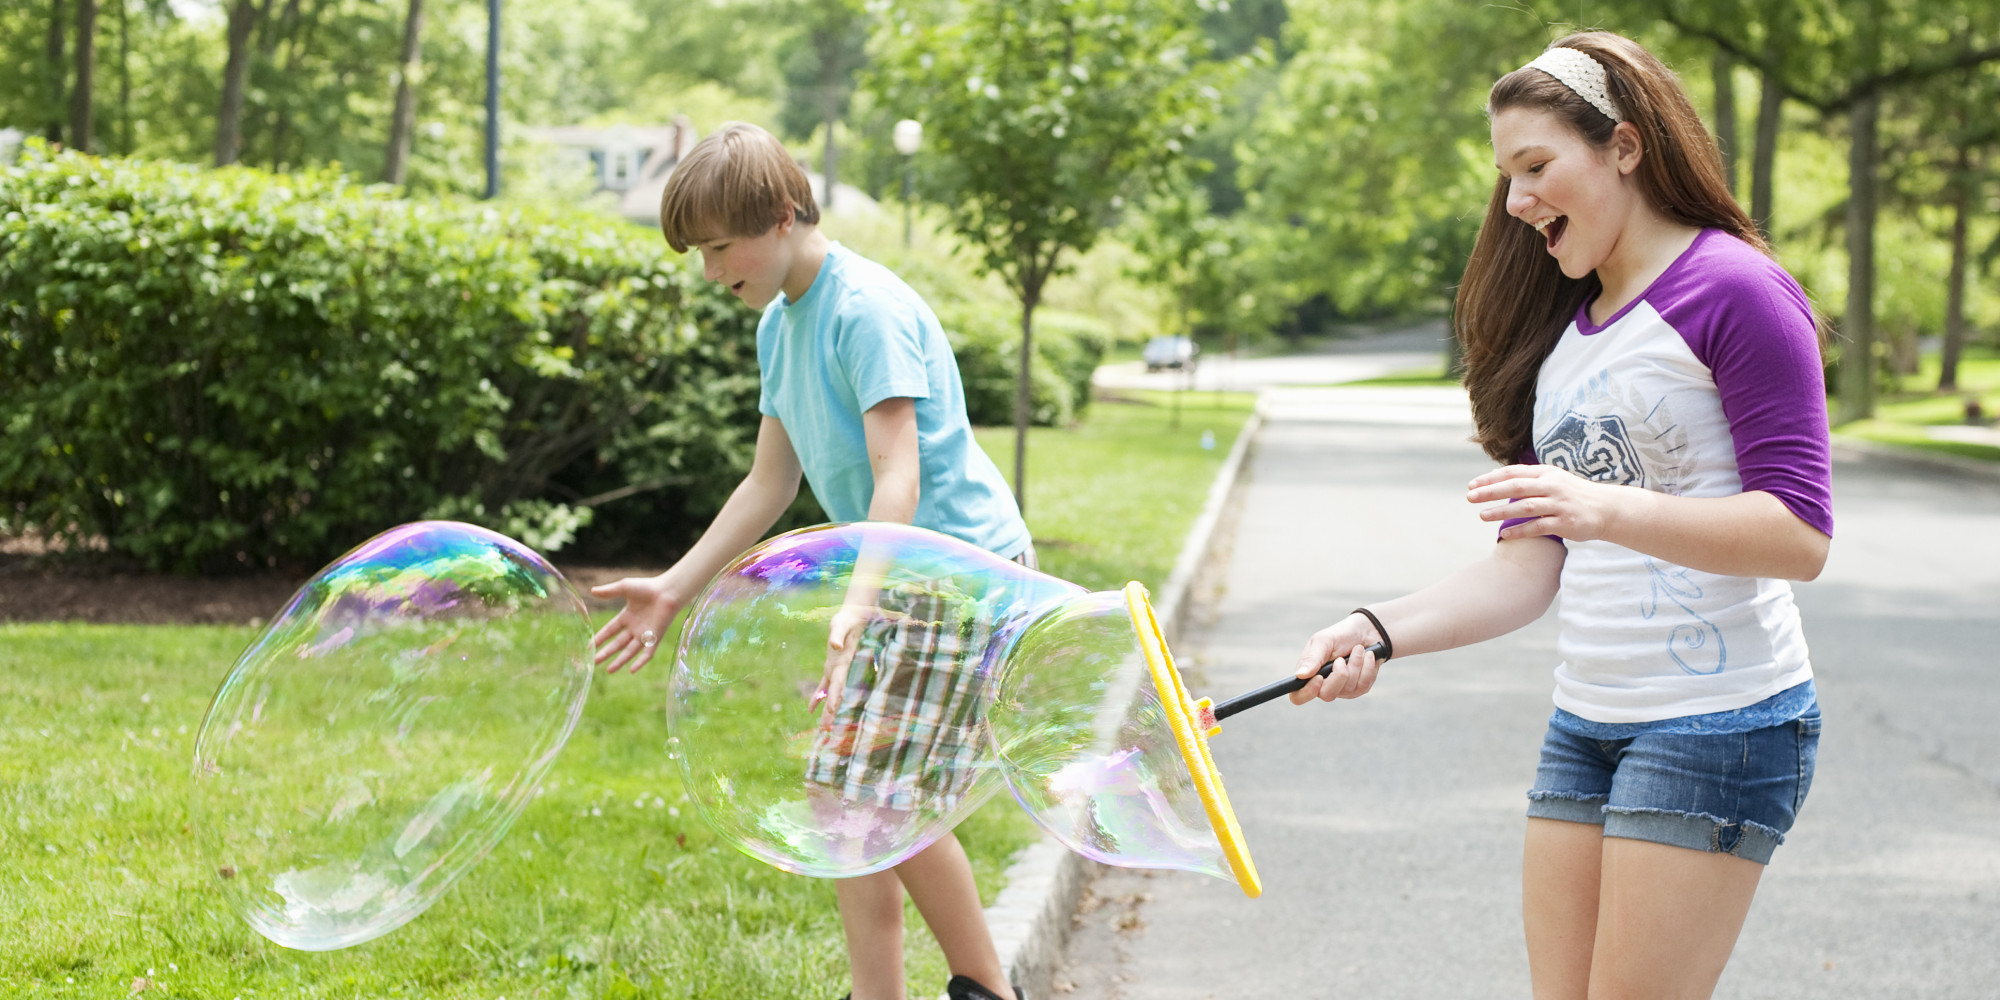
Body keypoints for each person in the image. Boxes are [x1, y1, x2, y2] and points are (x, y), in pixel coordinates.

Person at [1286, 32, 1831, 1000]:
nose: (1514, 201)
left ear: (1623, 147)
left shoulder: (1732, 288)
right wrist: (1375, 629)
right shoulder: (1564, 339)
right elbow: (1524, 567)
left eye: (1534, 166)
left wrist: (1604, 506)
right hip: (1588, 719)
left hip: (1719, 722)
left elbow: (1796, 536)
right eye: (1504, 175)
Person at [589, 122, 1030, 1000]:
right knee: (843, 800)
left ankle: (988, 988)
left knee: (878, 798)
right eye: (700, 253)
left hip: (960, 575)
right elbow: (769, 481)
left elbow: (896, 474)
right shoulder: (780, 328)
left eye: (720, 247)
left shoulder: (865, 309)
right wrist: (675, 588)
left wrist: (859, 599)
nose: (712, 272)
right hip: (898, 577)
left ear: (784, 215)